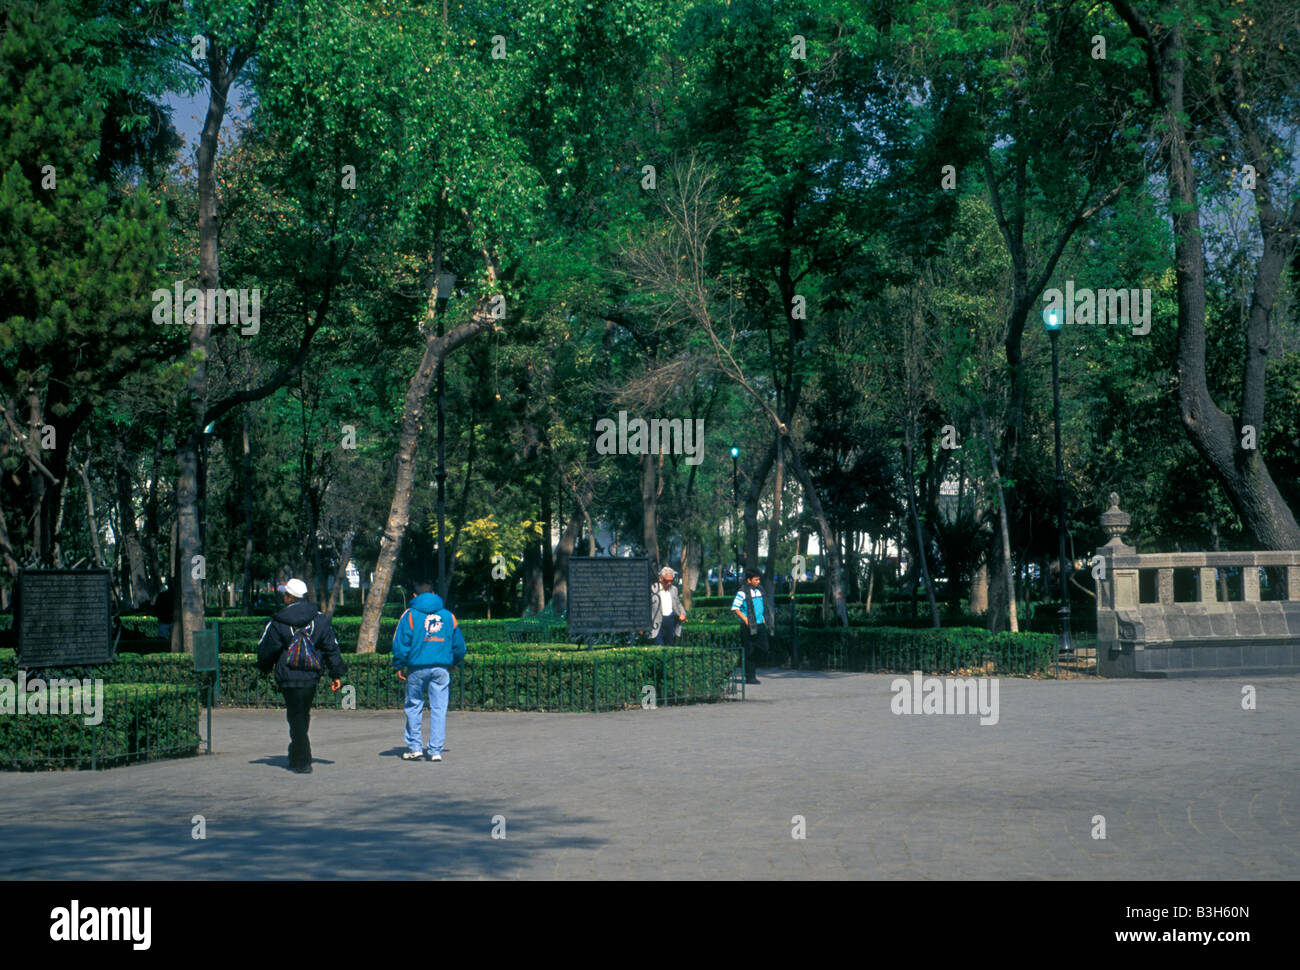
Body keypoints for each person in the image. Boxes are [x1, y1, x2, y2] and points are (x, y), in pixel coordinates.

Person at [256, 578, 345, 774]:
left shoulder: (278, 621)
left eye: (284, 595)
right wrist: (336, 674)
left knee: (295, 716)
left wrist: (263, 668)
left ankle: (303, 760)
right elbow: (331, 647)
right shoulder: (319, 619)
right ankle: (296, 753)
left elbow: (267, 648)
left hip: (288, 676)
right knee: (302, 714)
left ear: (289, 597)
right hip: (311, 676)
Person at [392, 581, 466, 762]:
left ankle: (415, 747)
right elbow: (459, 647)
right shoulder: (449, 616)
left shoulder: (409, 615)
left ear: (414, 596)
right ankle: (435, 751)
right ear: (434, 593)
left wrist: (399, 665)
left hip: (416, 668)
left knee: (414, 706)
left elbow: (401, 644)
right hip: (441, 669)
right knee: (439, 709)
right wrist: (453, 662)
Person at [730, 569, 769, 685]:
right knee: (749, 651)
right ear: (749, 580)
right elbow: (735, 608)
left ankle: (752, 672)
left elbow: (763, 604)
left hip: (760, 624)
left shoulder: (760, 590)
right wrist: (745, 619)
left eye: (759, 579)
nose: (758, 581)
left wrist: (763, 617)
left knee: (764, 648)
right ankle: (750, 677)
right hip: (748, 626)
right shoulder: (742, 592)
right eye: (756, 579)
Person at [649, 566, 687, 645]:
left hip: (670, 622)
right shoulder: (653, 589)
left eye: (671, 581)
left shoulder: (674, 589)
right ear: (660, 579)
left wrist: (683, 613)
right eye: (667, 581)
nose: (669, 583)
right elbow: (645, 606)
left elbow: (678, 604)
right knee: (659, 648)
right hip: (656, 623)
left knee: (669, 647)